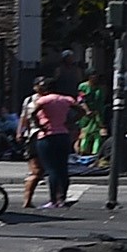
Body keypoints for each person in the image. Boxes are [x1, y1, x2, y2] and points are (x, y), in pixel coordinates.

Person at [24, 75, 80, 210]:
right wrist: (70, 122)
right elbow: (82, 110)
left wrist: (40, 125)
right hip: (63, 134)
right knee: (63, 169)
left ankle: (53, 200)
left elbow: (31, 114)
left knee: (52, 169)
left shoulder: (43, 100)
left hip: (47, 136)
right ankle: (63, 198)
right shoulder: (66, 99)